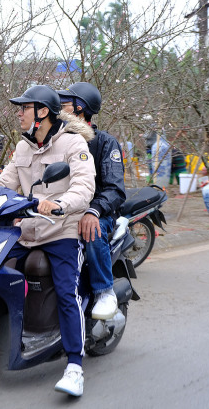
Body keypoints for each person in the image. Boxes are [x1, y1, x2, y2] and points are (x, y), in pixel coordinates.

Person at [0, 85, 95, 396]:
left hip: (61, 231)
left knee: (65, 291)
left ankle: (74, 366)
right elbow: (4, 182)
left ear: (43, 112)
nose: (18, 113)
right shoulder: (23, 148)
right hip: (27, 230)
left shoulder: (73, 144)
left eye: (24, 108)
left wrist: (60, 204)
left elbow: (84, 186)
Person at [58, 82, 126, 321]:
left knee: (91, 229)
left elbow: (115, 189)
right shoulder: (57, 139)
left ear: (80, 108)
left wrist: (94, 211)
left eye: (64, 104)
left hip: (98, 212)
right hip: (62, 210)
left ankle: (104, 291)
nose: (58, 108)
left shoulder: (105, 143)